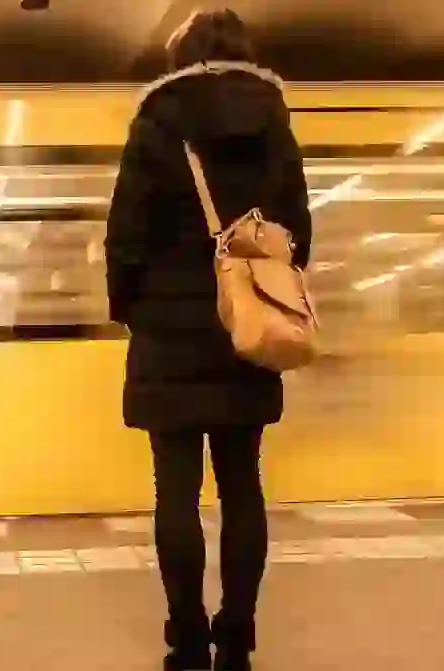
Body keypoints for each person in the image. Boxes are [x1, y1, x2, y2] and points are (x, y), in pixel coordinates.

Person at [103, 9, 312, 671]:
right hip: (246, 328)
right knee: (242, 486)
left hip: (167, 334)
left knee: (176, 491)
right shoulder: (274, 123)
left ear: (181, 56)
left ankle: (188, 640)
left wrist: (133, 310)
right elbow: (298, 231)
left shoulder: (157, 121)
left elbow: (124, 236)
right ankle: (238, 640)